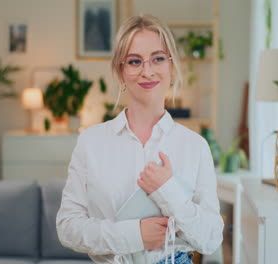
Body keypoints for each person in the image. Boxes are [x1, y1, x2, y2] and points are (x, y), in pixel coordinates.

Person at [56, 14, 224, 264]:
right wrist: (135, 235)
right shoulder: (91, 142)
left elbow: (211, 239)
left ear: (171, 66)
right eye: (135, 61)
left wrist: (168, 190)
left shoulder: (195, 147)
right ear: (120, 71)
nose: (147, 71)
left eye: (157, 58)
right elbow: (68, 227)